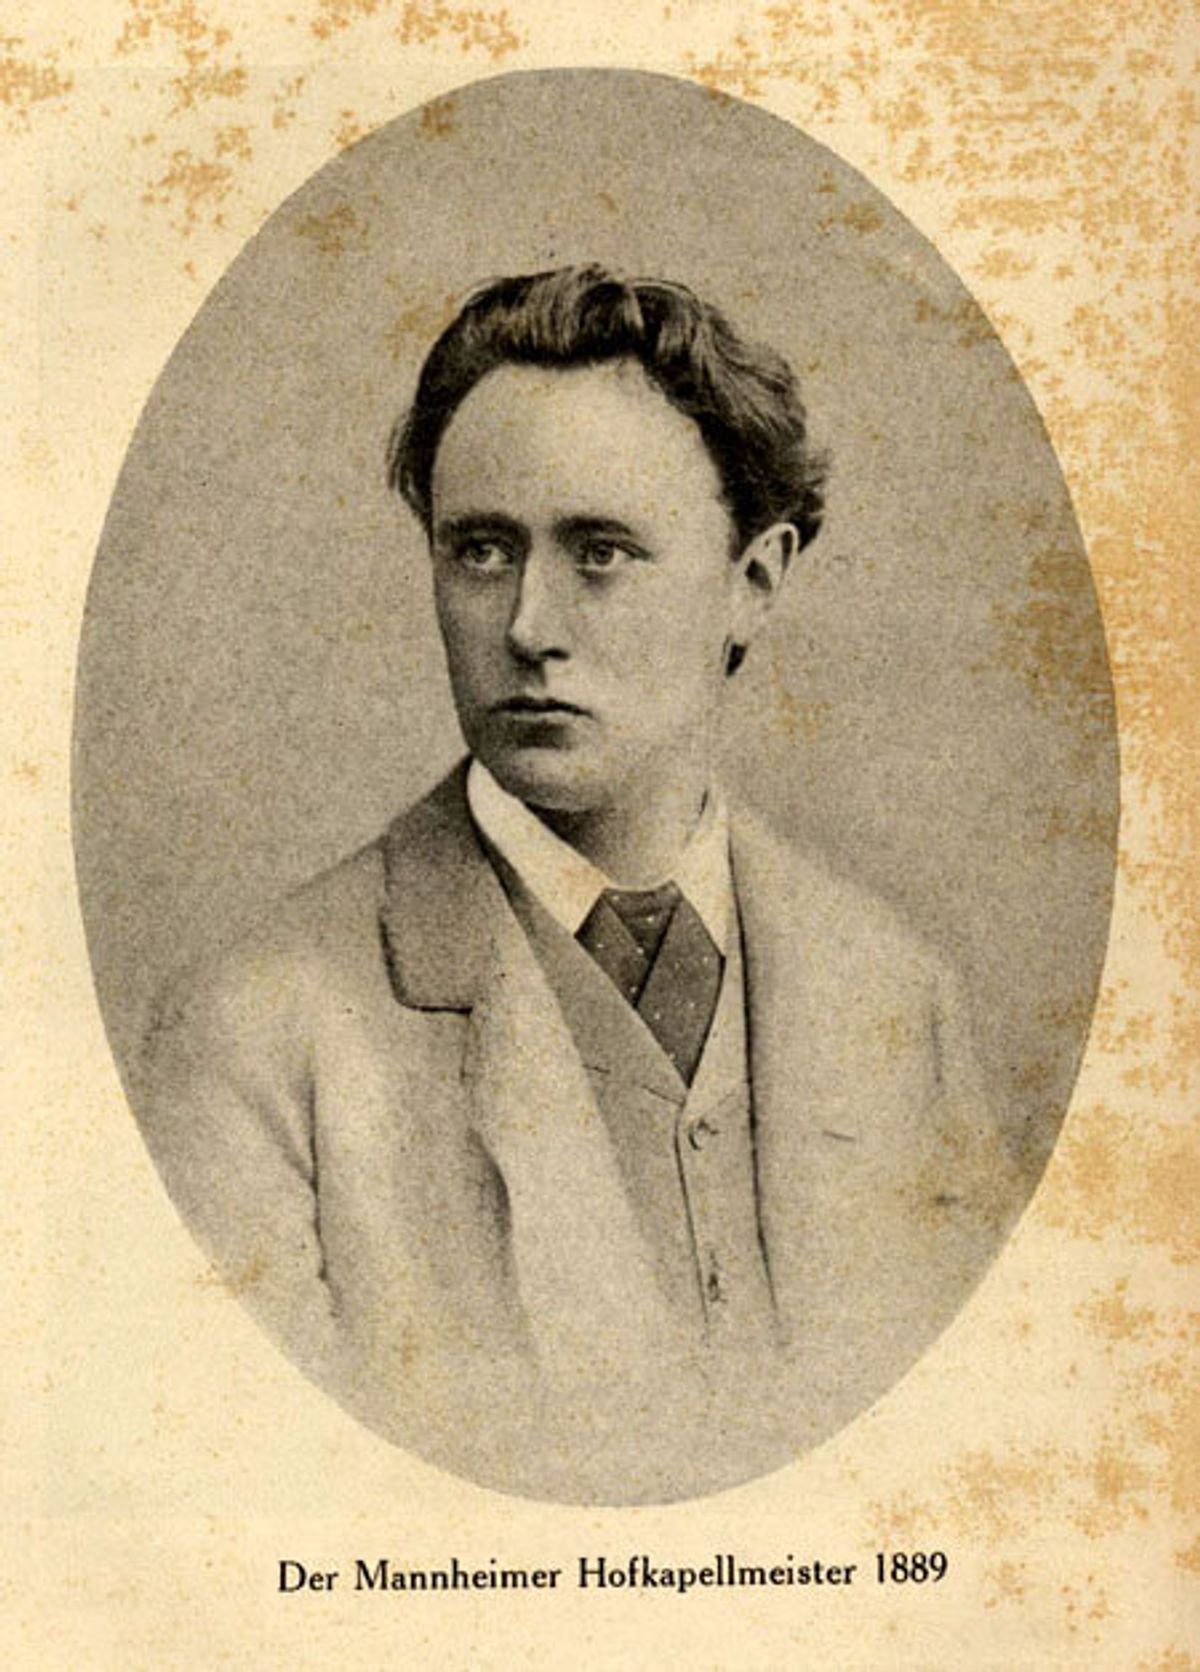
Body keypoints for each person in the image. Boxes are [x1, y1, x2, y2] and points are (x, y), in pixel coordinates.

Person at [142, 265, 1020, 1503]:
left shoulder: (895, 998)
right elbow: (276, 1514)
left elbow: (980, 1461)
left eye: (600, 553)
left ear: (754, 581)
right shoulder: (258, 1035)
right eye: (481, 550)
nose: (527, 625)